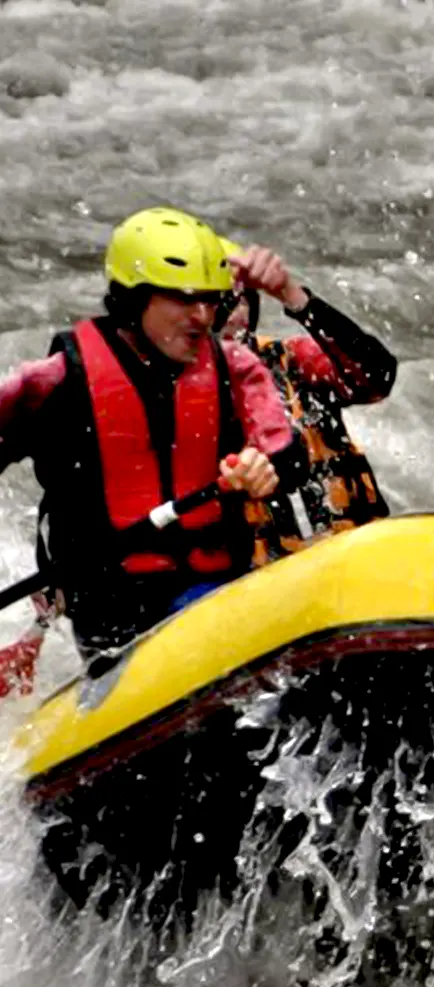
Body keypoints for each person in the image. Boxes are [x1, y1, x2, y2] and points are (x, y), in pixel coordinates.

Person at [0, 207, 298, 657]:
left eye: (211, 300)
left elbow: (285, 456)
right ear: (134, 300)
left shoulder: (235, 368)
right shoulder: (57, 380)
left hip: (213, 586)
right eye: (183, 299)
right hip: (110, 607)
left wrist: (265, 470)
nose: (202, 316)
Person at [215, 237, 396, 565]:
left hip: (355, 553)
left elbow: (377, 378)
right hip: (264, 581)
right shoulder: (181, 392)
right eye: (221, 301)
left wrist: (293, 296)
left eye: (241, 300)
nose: (235, 315)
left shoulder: (292, 360)